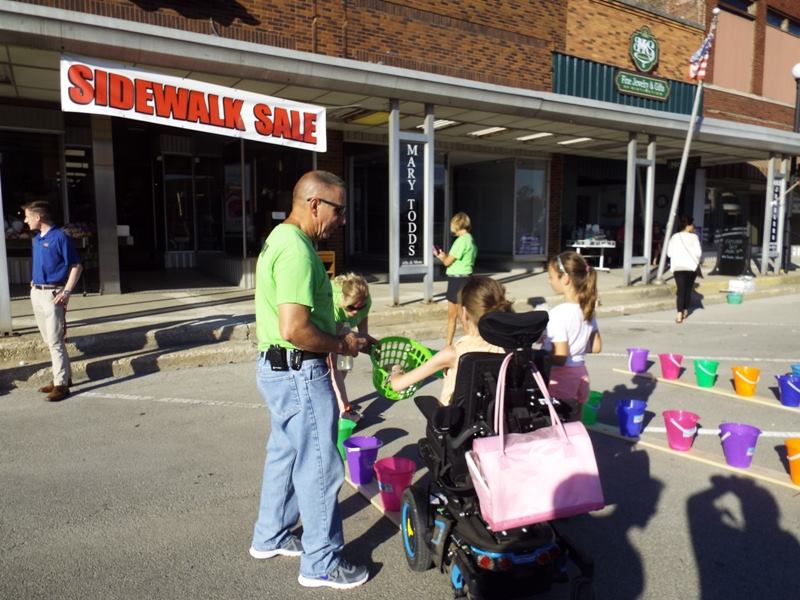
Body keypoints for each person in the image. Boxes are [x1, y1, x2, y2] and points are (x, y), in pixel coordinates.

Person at [250, 170, 370, 590]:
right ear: (315, 204)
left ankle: (271, 534)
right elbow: (295, 329)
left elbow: (304, 319)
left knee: (285, 454)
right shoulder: (298, 250)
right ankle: (321, 563)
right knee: (320, 465)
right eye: (339, 210)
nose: (342, 219)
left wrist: (350, 337)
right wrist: (341, 345)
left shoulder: (280, 239)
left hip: (278, 368)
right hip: (300, 370)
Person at [389, 276, 512, 406]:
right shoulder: (510, 348)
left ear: (464, 312)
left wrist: (396, 370)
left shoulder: (453, 353)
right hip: (497, 415)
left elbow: (398, 385)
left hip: (457, 417)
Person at [23, 201, 83, 402]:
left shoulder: (60, 237)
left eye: (27, 217)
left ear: (38, 217)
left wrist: (66, 292)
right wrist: (35, 281)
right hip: (37, 293)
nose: (25, 220)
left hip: (53, 295)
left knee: (56, 340)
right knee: (50, 340)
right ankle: (64, 377)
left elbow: (76, 266)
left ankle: (61, 385)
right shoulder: (37, 239)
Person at [542, 251, 602, 411]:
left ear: (565, 278)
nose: (549, 281)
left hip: (561, 377)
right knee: (575, 418)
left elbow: (561, 356)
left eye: (551, 277)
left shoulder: (558, 313)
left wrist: (540, 355)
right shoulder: (587, 309)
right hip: (580, 373)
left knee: (558, 418)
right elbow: (596, 347)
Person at [330, 272, 378, 421]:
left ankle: (336, 397)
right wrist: (355, 339)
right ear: (344, 300)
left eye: (360, 307)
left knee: (345, 365)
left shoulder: (366, 301)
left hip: (344, 326)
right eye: (350, 307)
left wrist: (364, 337)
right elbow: (336, 332)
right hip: (329, 325)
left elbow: (363, 318)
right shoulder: (334, 302)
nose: (355, 311)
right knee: (334, 367)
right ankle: (343, 408)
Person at [434, 212, 477, 347]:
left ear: (456, 225)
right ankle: (460, 343)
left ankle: (466, 344)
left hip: (457, 280)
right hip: (466, 278)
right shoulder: (470, 239)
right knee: (460, 315)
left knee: (457, 316)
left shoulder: (461, 241)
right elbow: (456, 260)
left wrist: (440, 256)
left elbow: (447, 262)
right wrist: (445, 256)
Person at [667, 215, 702, 324]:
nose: (693, 226)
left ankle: (679, 314)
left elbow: (669, 253)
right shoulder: (694, 237)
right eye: (692, 224)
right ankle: (685, 310)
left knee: (681, 290)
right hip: (691, 267)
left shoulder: (674, 237)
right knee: (687, 290)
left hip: (678, 267)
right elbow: (698, 253)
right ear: (688, 225)